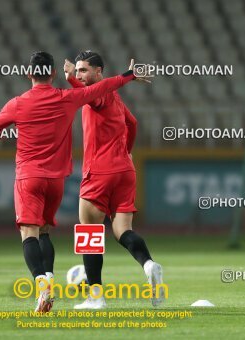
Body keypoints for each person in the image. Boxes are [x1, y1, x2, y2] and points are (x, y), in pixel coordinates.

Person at [0, 51, 143, 312]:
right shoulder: (67, 98)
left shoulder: (17, 103)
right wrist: (127, 75)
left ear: (29, 74)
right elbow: (103, 87)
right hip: (56, 181)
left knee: (29, 233)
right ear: (54, 74)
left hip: (28, 178)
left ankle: (41, 283)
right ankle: (50, 278)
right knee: (45, 230)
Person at [64, 51, 164, 309]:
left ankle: (95, 298)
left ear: (99, 72)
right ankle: (149, 265)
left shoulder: (98, 94)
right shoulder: (115, 98)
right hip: (125, 171)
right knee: (122, 231)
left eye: (84, 70)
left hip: (99, 172)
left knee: (89, 233)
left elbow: (84, 95)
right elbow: (133, 123)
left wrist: (70, 80)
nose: (79, 75)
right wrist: (127, 152)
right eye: (77, 70)